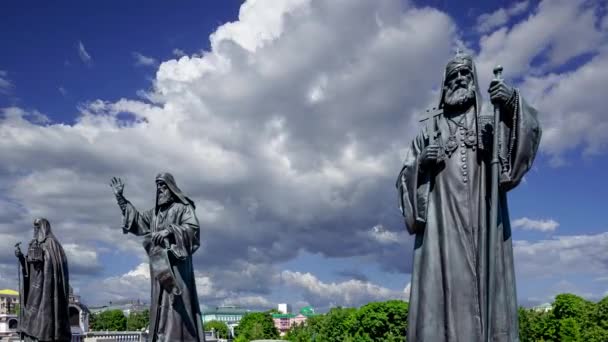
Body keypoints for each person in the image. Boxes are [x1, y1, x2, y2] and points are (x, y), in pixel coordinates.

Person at [396, 52, 541, 341]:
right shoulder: (429, 130)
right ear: (445, 85)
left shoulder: (491, 121)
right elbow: (403, 180)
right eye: (453, 76)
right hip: (442, 227)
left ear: (474, 79)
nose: (460, 80)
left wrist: (512, 102)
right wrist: (422, 162)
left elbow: (526, 140)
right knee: (440, 292)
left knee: (490, 290)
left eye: (465, 74)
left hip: (483, 218)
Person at [110, 172, 204, 342]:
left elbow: (193, 229)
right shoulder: (155, 214)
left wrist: (170, 231)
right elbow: (137, 221)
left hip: (177, 267)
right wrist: (121, 199)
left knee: (177, 304)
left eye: (163, 186)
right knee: (161, 304)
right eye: (158, 186)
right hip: (159, 268)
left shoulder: (183, 208)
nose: (160, 190)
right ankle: (161, 336)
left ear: (171, 188)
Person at [15, 218, 71, 342]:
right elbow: (31, 267)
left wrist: (42, 256)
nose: (35, 230)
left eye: (37, 227)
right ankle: (32, 335)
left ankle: (44, 335)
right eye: (34, 227)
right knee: (31, 313)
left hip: (47, 288)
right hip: (35, 286)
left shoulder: (52, 244)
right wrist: (21, 257)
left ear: (44, 227)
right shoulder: (35, 243)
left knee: (44, 316)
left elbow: (55, 264)